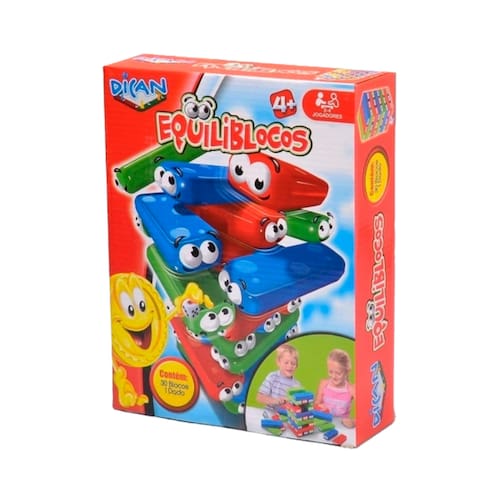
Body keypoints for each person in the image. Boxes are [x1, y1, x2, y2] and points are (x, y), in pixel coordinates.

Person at [315, 349, 355, 428]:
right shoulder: (324, 384)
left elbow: (366, 412)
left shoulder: (351, 389)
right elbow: (316, 405)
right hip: (325, 424)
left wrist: (353, 422)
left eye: (338, 373)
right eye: (330, 372)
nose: (333, 376)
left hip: (343, 427)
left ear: (347, 372)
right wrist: (320, 407)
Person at [257, 344, 301, 413]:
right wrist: (276, 401)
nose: (290, 366)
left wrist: (292, 403)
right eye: (286, 362)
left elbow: (298, 406)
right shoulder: (272, 377)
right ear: (278, 362)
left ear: (296, 366)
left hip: (286, 416)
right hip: (269, 412)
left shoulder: (297, 385)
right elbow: (260, 397)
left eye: (293, 363)